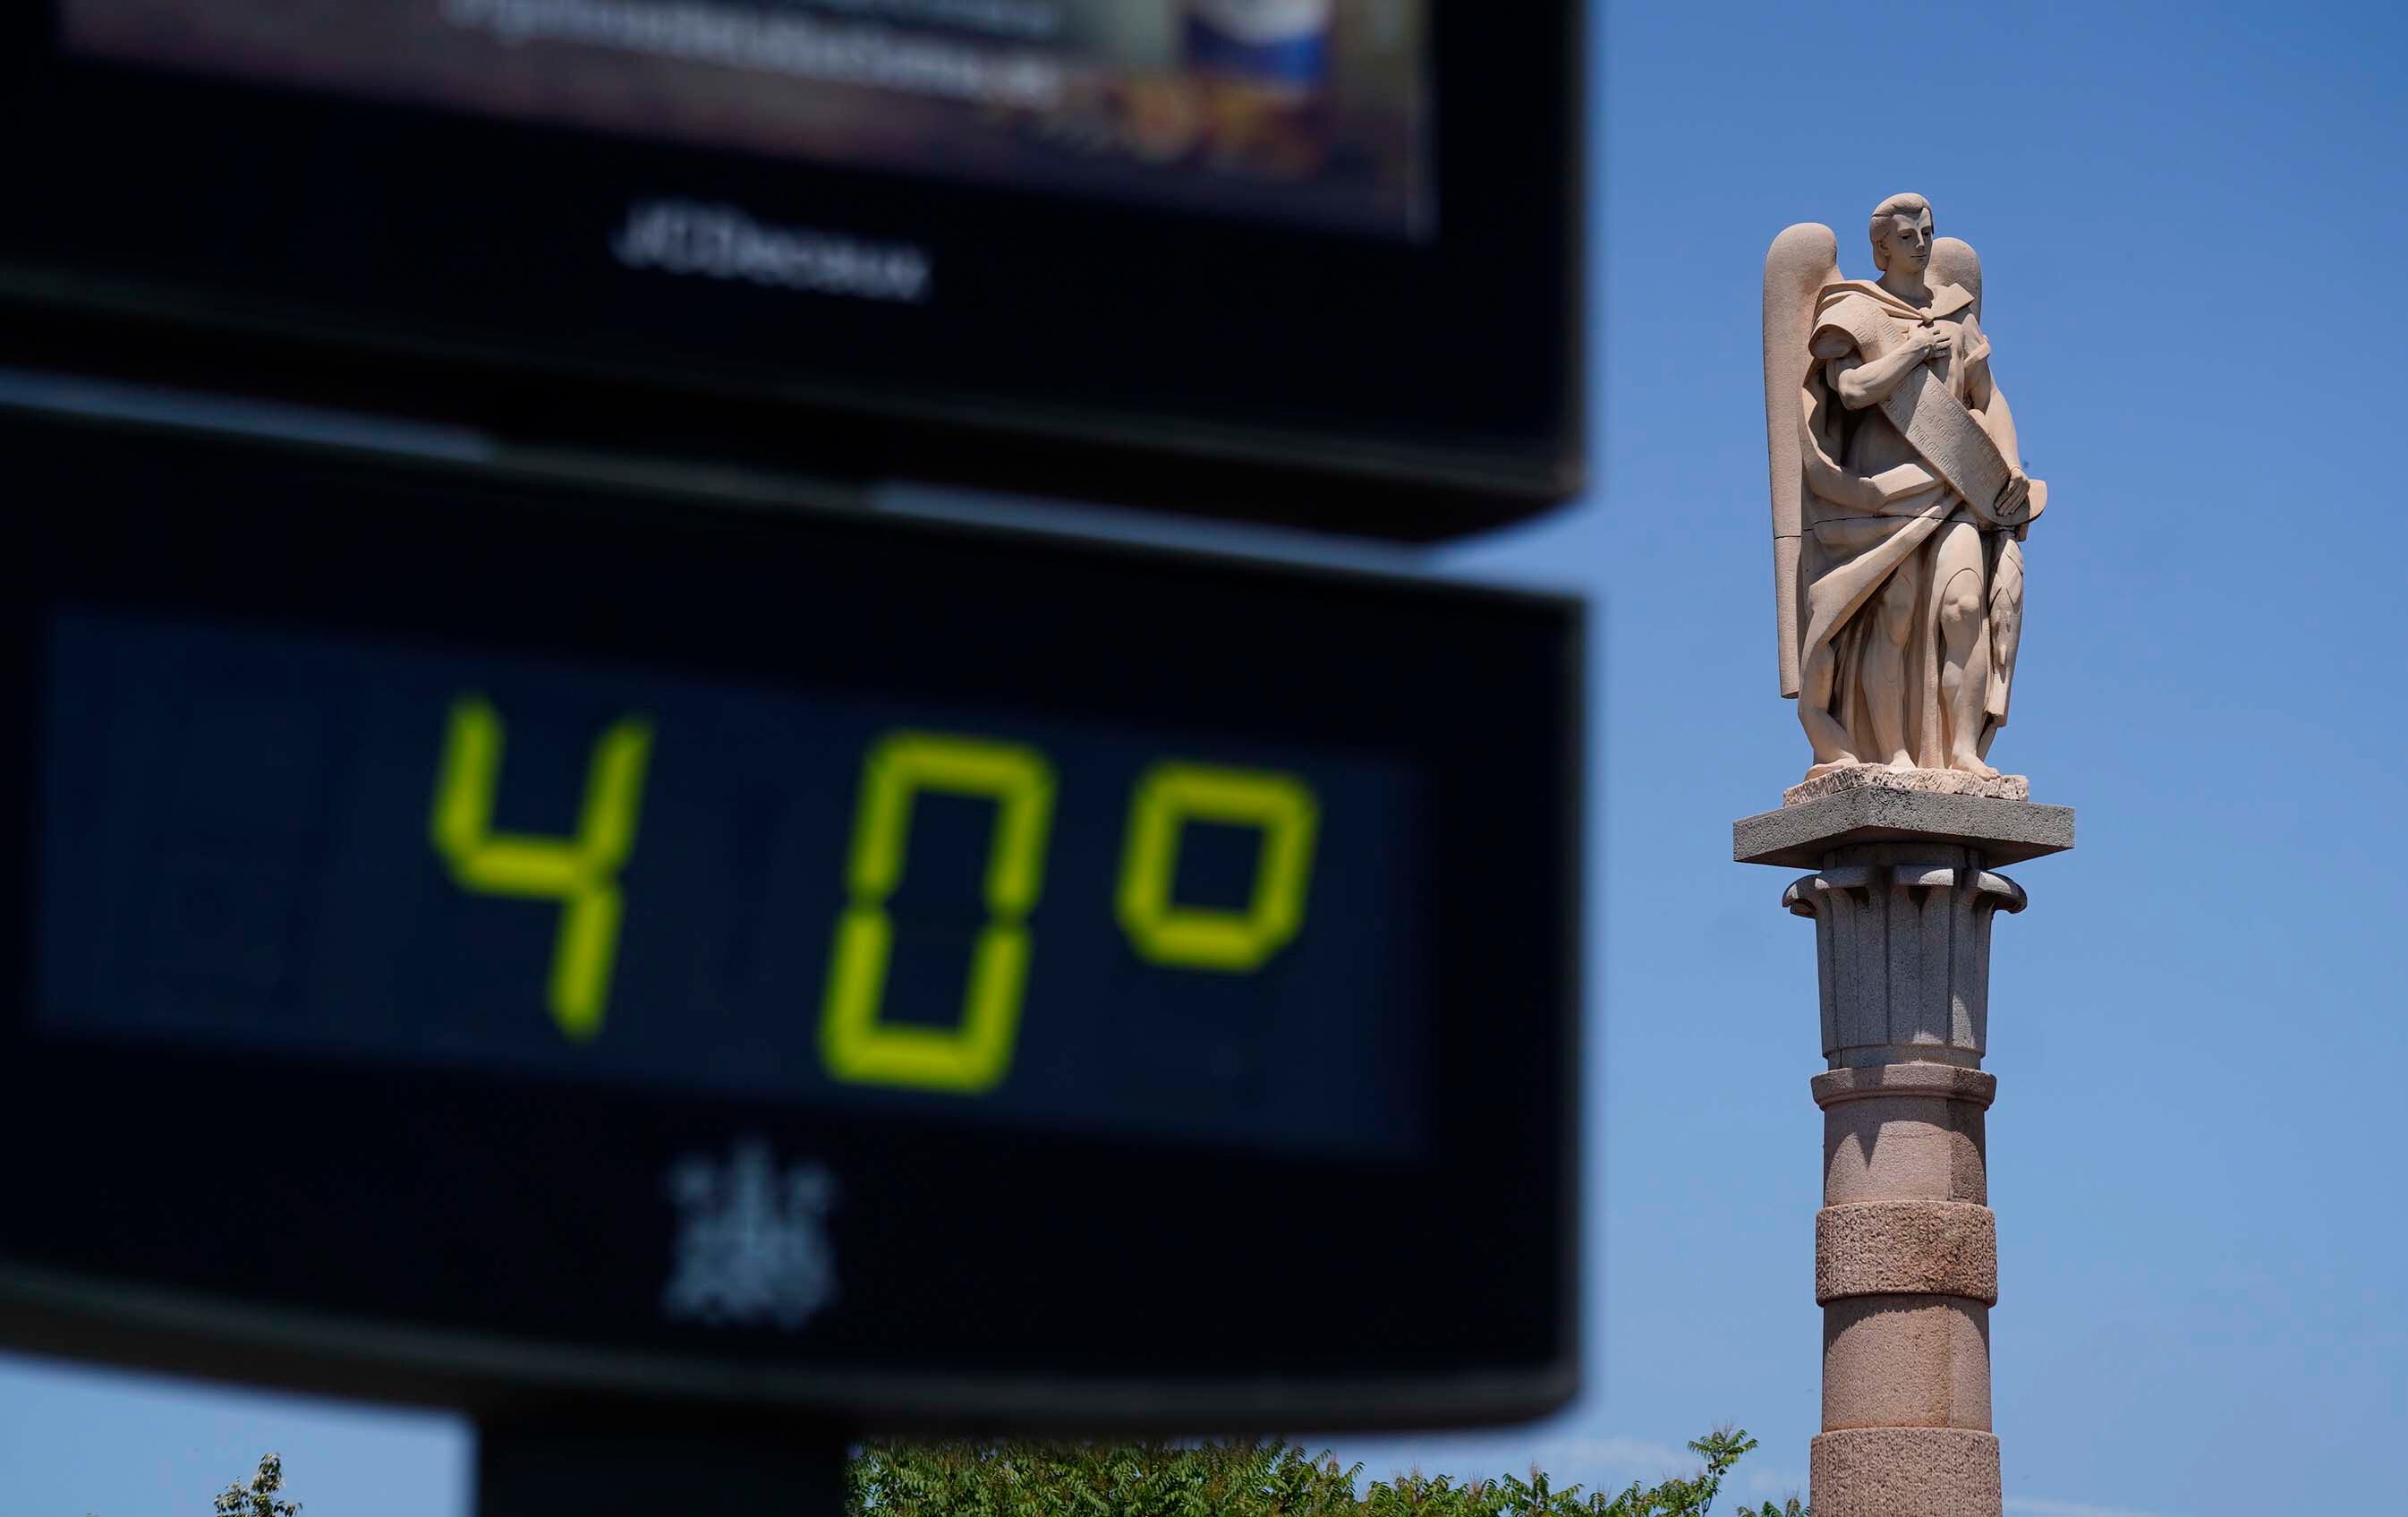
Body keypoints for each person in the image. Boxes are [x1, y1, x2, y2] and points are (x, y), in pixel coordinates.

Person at [1791, 192, 2032, 779]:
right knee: (1893, 618)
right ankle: (1893, 752)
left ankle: (1961, 752)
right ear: (1880, 247)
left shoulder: (1957, 313)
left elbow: (1986, 397)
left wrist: (2011, 467)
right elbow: (1849, 390)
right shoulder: (1854, 310)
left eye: (1926, 232)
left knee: (1964, 607)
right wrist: (1910, 354)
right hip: (1882, 492)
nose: (1920, 244)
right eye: (1906, 236)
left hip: (1953, 487)